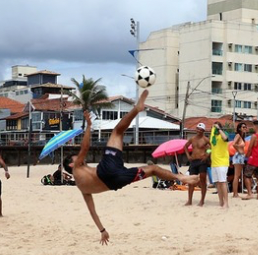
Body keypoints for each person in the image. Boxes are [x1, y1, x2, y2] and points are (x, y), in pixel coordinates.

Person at [64, 89, 199, 244]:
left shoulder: (83, 190)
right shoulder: (77, 168)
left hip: (118, 180)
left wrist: (102, 230)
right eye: (76, 158)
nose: (80, 158)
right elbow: (85, 147)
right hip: (107, 169)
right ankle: (137, 109)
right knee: (117, 132)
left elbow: (92, 210)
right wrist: (88, 125)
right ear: (71, 164)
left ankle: (181, 178)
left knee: (153, 169)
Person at [184, 122, 209, 206]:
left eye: (200, 130)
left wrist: (206, 155)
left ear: (203, 131)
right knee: (191, 181)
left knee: (202, 180)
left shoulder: (205, 139)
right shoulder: (192, 139)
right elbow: (185, 146)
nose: (198, 131)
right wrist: (188, 156)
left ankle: (202, 200)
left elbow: (211, 148)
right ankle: (189, 200)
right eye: (197, 129)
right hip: (194, 161)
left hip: (202, 161)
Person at [209, 121, 230, 208]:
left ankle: (226, 202)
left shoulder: (223, 134)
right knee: (217, 183)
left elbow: (226, 138)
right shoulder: (212, 136)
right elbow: (211, 148)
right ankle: (221, 201)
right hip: (214, 162)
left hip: (222, 162)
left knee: (222, 182)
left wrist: (219, 129)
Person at [231, 122, 248, 198]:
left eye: (245, 127)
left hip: (240, 156)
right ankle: (235, 193)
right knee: (236, 175)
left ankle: (236, 192)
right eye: (243, 127)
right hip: (238, 156)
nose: (245, 128)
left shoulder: (242, 136)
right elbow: (234, 144)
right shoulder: (238, 135)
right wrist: (239, 150)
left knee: (238, 175)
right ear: (239, 128)